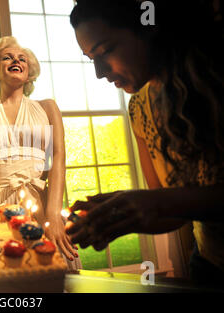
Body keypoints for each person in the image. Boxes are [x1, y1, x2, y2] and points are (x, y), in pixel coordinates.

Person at [65, 0, 224, 287]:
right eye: (91, 58)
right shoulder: (139, 108)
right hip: (208, 265)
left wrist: (156, 202)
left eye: (106, 51)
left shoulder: (215, 81)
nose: (100, 72)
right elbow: (174, 212)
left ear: (148, 28)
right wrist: (125, 211)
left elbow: (168, 201)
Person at [0, 36, 79, 264]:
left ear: (30, 72)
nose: (16, 61)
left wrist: (54, 213)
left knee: (52, 275)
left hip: (42, 206)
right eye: (7, 57)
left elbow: (58, 157)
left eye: (22, 58)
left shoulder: (47, 107)